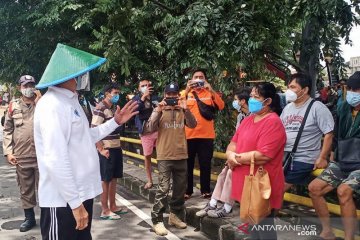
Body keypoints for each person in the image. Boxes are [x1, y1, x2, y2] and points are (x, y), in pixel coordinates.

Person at [33, 43, 138, 240]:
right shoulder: (51, 106)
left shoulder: (71, 102)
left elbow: (86, 137)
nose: (84, 77)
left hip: (80, 196)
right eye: (80, 73)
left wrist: (115, 122)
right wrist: (74, 203)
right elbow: (55, 158)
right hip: (63, 201)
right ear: (67, 75)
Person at [226, 82, 286, 240]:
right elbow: (233, 142)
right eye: (251, 96)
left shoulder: (273, 122)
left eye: (256, 97)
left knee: (264, 229)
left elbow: (264, 155)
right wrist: (229, 154)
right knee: (253, 227)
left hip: (262, 185)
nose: (251, 99)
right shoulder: (248, 119)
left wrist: (235, 158)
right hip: (247, 184)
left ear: (268, 101)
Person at [309, 71, 360, 240]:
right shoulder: (343, 106)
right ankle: (327, 232)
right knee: (314, 188)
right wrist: (330, 154)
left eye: (357, 89)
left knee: (343, 191)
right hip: (343, 158)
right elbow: (336, 133)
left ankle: (349, 238)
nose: (353, 92)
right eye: (351, 88)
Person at [145, 83, 197, 236]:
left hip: (181, 154)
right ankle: (157, 220)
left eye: (175, 94)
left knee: (180, 188)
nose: (172, 97)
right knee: (163, 189)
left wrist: (185, 108)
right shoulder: (160, 110)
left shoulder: (182, 109)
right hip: (165, 156)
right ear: (165, 95)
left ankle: (174, 215)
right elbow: (149, 128)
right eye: (169, 94)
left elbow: (193, 124)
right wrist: (157, 110)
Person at [196, 88, 250, 218]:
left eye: (236, 100)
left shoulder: (254, 117)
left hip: (246, 156)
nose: (234, 102)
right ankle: (213, 203)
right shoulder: (240, 116)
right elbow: (236, 138)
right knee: (223, 173)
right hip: (237, 153)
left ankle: (227, 207)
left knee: (232, 173)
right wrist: (231, 155)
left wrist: (236, 157)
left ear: (242, 101)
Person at [281, 73, 334, 192]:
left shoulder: (317, 108)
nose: (289, 90)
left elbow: (329, 134)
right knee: (269, 187)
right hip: (284, 156)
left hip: (304, 159)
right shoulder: (287, 108)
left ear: (305, 90)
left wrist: (322, 157)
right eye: (288, 87)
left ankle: (265, 210)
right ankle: (270, 210)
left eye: (293, 87)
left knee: (278, 189)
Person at [2, 75, 41, 232]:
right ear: (19, 88)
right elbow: (7, 130)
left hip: (42, 156)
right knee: (25, 188)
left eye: (31, 85)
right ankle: (29, 218)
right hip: (22, 156)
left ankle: (48, 217)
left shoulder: (43, 104)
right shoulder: (13, 106)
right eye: (25, 85)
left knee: (45, 187)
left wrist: (40, 101)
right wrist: (8, 152)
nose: (28, 88)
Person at [184, 68, 225, 199]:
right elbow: (178, 105)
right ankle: (187, 190)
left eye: (201, 77)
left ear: (205, 79)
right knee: (187, 165)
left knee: (205, 164)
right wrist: (186, 90)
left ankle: (205, 190)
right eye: (196, 77)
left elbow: (221, 106)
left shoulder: (209, 93)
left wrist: (211, 90)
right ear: (191, 79)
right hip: (188, 136)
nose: (198, 79)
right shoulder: (186, 93)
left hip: (206, 136)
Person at [91, 83, 128, 220]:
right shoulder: (100, 108)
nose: (117, 95)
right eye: (115, 93)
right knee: (105, 179)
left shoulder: (112, 109)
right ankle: (105, 210)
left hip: (116, 147)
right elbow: (94, 129)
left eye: (118, 93)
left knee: (113, 178)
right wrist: (100, 149)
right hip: (106, 149)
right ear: (107, 93)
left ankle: (113, 206)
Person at [133, 79, 160, 189]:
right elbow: (135, 111)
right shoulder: (136, 99)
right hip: (145, 132)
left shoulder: (155, 98)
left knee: (162, 155)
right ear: (139, 88)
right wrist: (143, 98)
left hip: (159, 130)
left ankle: (164, 179)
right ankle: (149, 180)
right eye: (143, 85)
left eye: (147, 85)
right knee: (147, 156)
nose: (145, 87)